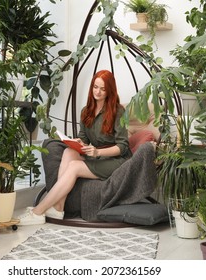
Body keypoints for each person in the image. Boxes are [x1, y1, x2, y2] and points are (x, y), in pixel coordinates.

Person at [18, 69, 132, 225]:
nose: (97, 92)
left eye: (103, 89)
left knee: (74, 167)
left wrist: (97, 151)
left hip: (116, 160)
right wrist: (77, 142)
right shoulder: (86, 111)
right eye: (95, 87)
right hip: (96, 155)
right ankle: (58, 208)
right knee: (69, 152)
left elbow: (123, 146)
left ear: (109, 90)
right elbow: (84, 138)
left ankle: (38, 211)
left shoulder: (118, 111)